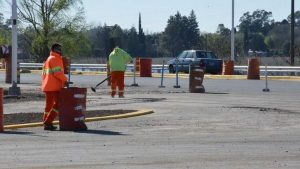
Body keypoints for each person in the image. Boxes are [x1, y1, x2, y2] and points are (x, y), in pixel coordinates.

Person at [41, 43, 67, 130]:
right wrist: (65, 80)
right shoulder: (55, 59)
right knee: (58, 104)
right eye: (59, 49)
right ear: (54, 49)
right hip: (54, 86)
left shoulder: (48, 59)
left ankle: (46, 122)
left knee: (48, 106)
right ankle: (48, 122)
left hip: (47, 86)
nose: (60, 51)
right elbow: (58, 73)